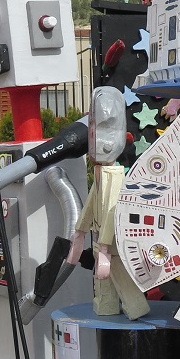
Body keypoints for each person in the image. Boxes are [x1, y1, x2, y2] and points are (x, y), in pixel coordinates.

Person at [66, 87, 150, 320]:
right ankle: (106, 305)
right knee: (102, 280)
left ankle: (136, 307)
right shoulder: (101, 174)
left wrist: (104, 245)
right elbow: (92, 202)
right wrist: (80, 231)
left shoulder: (114, 176)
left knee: (121, 278)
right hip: (100, 239)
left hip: (111, 243)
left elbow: (114, 211)